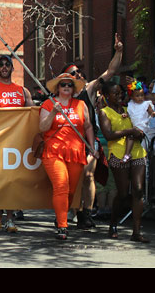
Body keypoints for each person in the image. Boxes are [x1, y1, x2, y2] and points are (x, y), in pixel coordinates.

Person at [61, 33, 123, 229]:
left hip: (88, 140)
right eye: (73, 73)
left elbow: (110, 72)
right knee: (72, 178)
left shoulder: (88, 90)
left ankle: (86, 214)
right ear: (65, 80)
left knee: (88, 175)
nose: (78, 75)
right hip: (68, 141)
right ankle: (71, 211)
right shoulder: (60, 96)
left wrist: (118, 51)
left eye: (79, 72)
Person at [38, 72, 97, 241]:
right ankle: (63, 226)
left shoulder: (81, 104)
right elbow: (42, 127)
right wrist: (52, 113)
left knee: (70, 190)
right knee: (61, 186)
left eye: (69, 85)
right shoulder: (48, 104)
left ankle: (60, 214)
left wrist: (92, 147)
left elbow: (88, 126)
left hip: (76, 151)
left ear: (73, 88)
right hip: (54, 150)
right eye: (63, 84)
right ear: (57, 87)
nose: (66, 87)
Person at [0, 54, 33, 233]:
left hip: (16, 143)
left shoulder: (23, 91)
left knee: (12, 181)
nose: (3, 67)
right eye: (0, 64)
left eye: (7, 64)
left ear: (12, 68)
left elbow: (32, 113)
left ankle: (10, 218)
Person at [98, 81, 149, 242]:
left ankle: (136, 231)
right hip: (118, 154)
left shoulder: (130, 109)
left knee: (139, 189)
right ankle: (113, 224)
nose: (120, 96)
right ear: (106, 96)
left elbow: (141, 124)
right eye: (115, 93)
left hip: (137, 151)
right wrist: (129, 131)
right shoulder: (104, 112)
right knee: (123, 192)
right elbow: (108, 135)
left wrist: (140, 132)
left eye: (121, 93)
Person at [124, 80, 155, 162]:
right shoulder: (131, 104)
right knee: (130, 137)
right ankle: (128, 154)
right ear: (132, 97)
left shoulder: (146, 104)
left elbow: (151, 112)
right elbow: (129, 113)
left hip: (143, 127)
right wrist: (125, 115)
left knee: (134, 139)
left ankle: (129, 155)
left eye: (142, 95)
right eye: (137, 96)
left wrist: (152, 113)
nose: (140, 97)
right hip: (134, 127)